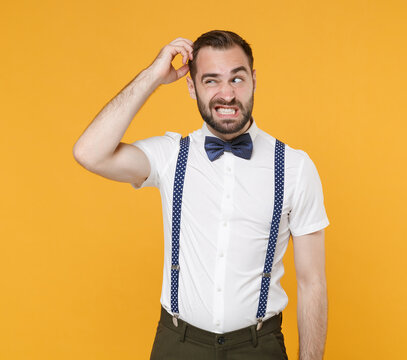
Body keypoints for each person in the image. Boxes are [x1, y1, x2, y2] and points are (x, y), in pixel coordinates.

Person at [73, 30, 329, 360]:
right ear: (192, 87)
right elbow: (89, 153)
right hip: (178, 346)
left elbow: (312, 284)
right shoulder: (170, 156)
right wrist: (153, 75)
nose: (227, 93)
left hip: (258, 348)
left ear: (253, 80)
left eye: (237, 79)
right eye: (211, 81)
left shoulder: (295, 167)